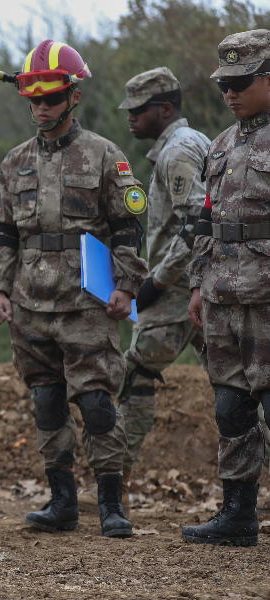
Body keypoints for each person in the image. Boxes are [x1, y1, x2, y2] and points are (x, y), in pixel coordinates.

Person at [0, 39, 148, 538]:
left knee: (98, 404)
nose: (42, 107)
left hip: (86, 303)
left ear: (73, 96)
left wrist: (126, 285)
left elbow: (128, 226)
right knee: (47, 403)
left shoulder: (104, 155)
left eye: (51, 98)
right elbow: (3, 232)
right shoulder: (14, 163)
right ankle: (62, 503)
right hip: (31, 302)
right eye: (33, 98)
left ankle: (111, 505)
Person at [89, 67, 209, 512]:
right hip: (202, 282)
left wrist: (158, 279)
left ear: (165, 108)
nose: (130, 118)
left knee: (135, 373)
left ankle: (114, 483)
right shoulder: (194, 142)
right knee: (239, 385)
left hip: (179, 287)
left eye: (139, 110)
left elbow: (199, 223)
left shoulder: (177, 152)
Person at [182, 29, 270, 547]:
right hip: (222, 295)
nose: (230, 93)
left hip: (267, 295)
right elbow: (206, 219)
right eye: (224, 86)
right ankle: (238, 516)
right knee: (230, 406)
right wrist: (197, 284)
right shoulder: (219, 145)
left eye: (240, 82)